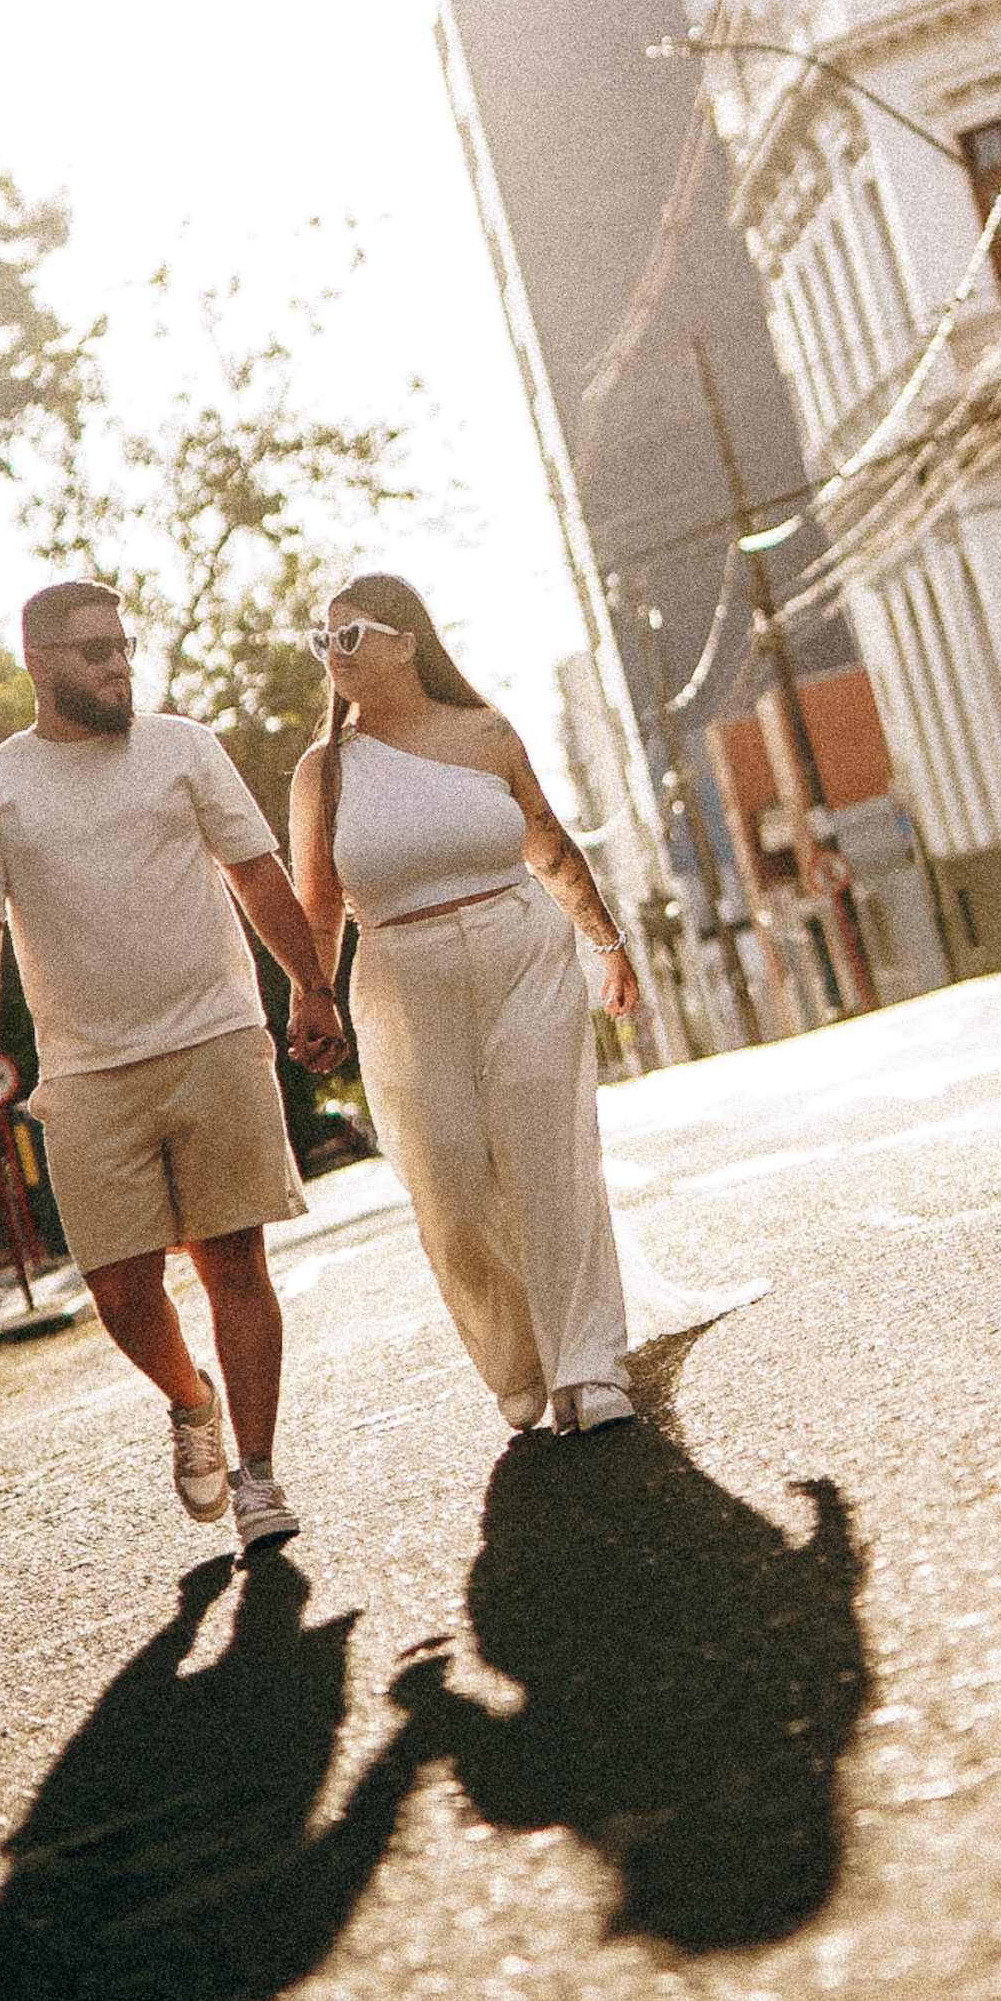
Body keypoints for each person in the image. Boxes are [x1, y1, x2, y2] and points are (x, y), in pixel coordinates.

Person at [0, 579, 349, 1554]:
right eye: (94, 651)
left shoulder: (182, 748)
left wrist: (312, 987)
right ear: (39, 663)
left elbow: (254, 872)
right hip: (84, 1072)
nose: (118, 665)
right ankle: (191, 1399)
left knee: (232, 1261)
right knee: (119, 1289)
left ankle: (257, 1475)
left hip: (214, 1036)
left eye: (123, 646)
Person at [289, 573, 642, 1437]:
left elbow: (549, 845)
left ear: (408, 643)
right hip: (400, 979)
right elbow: (318, 902)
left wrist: (606, 941)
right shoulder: (323, 772)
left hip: (522, 953)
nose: (333, 654)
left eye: (350, 635)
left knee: (549, 1155)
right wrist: (312, 995)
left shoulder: (487, 733)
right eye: (322, 640)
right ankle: (518, 1359)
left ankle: (588, 1363)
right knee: (445, 1177)